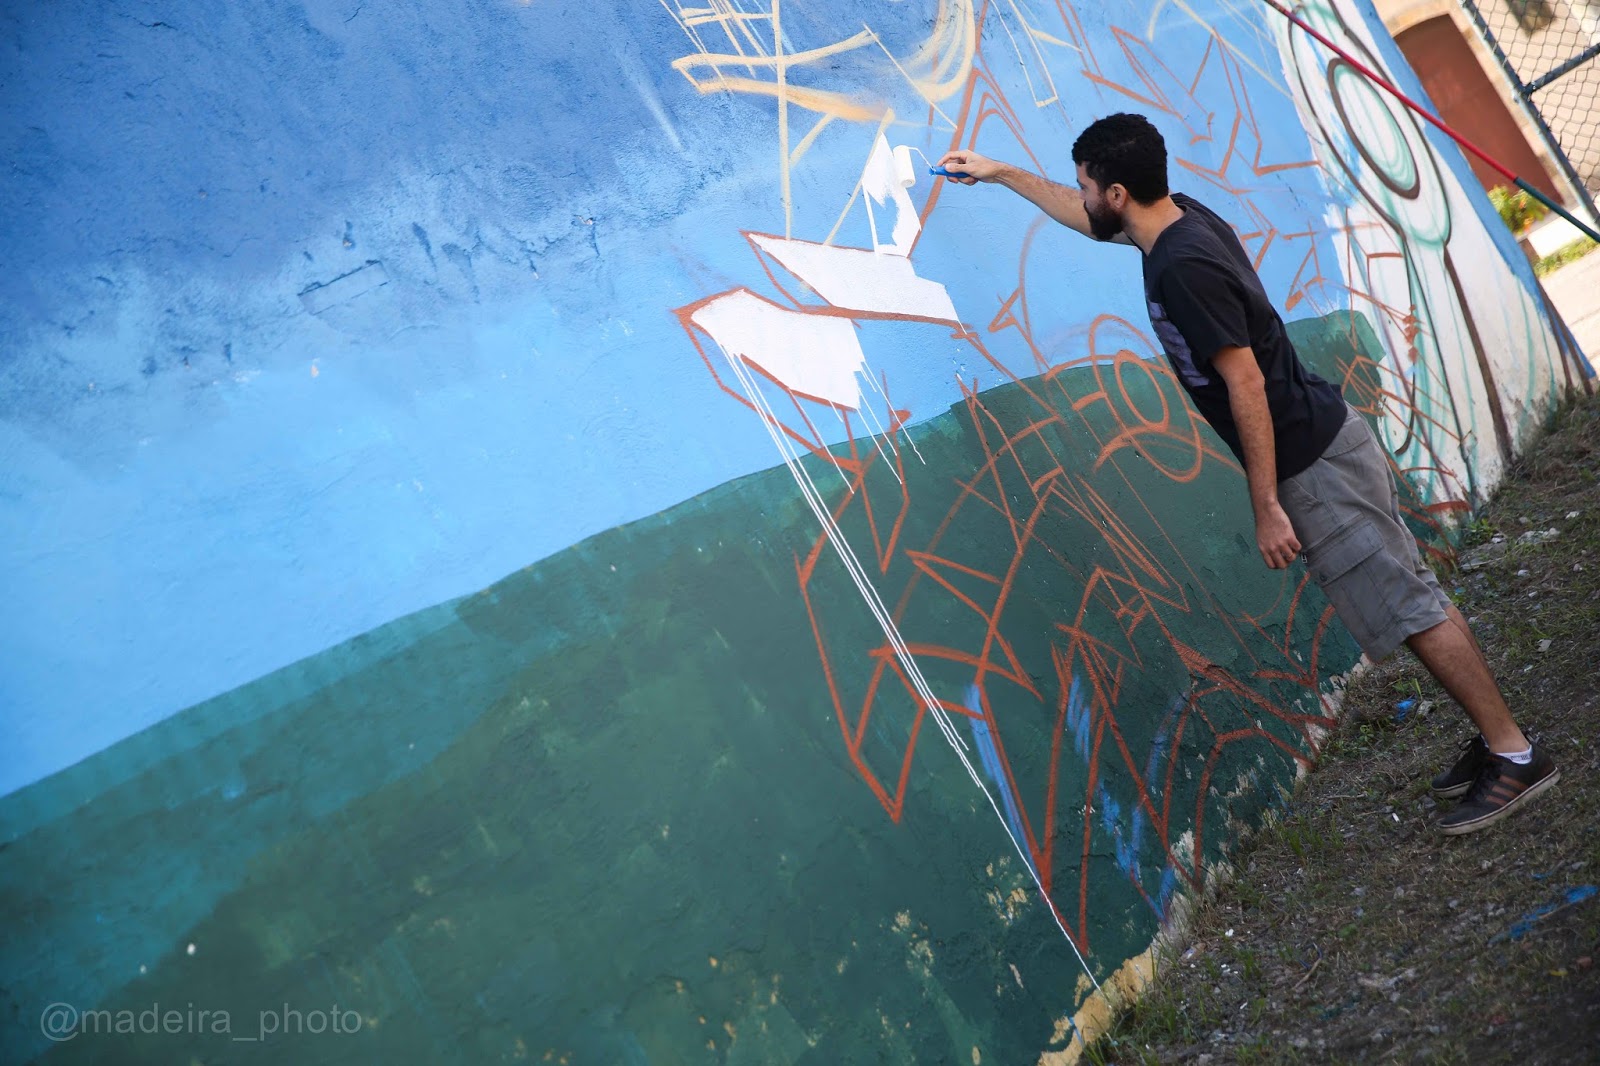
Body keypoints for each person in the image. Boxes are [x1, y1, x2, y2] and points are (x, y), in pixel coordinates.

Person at [936, 112, 1557, 835]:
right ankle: (1497, 740)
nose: (1083, 197)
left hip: (1313, 466)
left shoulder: (1182, 268)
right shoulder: (1177, 218)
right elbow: (1088, 220)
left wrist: (1267, 505)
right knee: (1413, 598)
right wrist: (1002, 174)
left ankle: (1515, 754)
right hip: (1326, 442)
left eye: (1087, 186)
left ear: (1118, 195)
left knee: (1411, 610)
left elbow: (1247, 384)